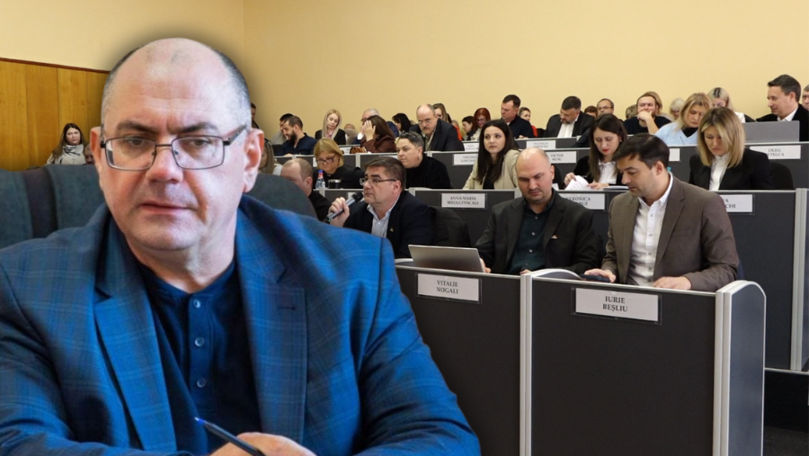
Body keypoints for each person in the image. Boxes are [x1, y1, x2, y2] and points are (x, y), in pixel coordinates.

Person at [0, 38, 477, 456]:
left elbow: (439, 436)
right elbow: (14, 441)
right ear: (100, 157)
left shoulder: (353, 274)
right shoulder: (26, 288)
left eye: (199, 141)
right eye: (134, 140)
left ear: (250, 159)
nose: (163, 170)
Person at [584, 134, 739, 291]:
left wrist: (687, 281)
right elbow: (613, 257)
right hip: (628, 298)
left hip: (677, 300)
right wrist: (608, 272)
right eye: (622, 172)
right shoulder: (619, 205)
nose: (624, 180)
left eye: (632, 172)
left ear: (658, 168)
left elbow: (726, 269)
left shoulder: (704, 204)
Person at [475, 148, 600, 275]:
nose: (532, 186)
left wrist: (545, 275)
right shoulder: (501, 213)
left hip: (550, 286)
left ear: (552, 172)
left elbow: (586, 265)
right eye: (524, 179)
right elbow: (481, 254)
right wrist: (480, 263)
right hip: (505, 283)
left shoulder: (578, 216)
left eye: (538, 177)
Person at [328, 157, 434, 258]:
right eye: (366, 179)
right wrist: (337, 228)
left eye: (375, 180)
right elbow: (342, 255)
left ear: (396, 187)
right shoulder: (356, 211)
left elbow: (407, 259)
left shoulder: (416, 212)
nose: (366, 185)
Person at [689, 107, 773, 190]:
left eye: (721, 137)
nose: (715, 144)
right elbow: (691, 196)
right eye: (709, 137)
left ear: (734, 136)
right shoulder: (696, 161)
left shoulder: (755, 161)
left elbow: (764, 198)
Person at [564, 114, 626, 189]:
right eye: (598, 140)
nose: (603, 145)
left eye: (608, 139)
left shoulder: (629, 163)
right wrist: (569, 182)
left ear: (620, 137)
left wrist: (608, 187)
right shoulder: (584, 163)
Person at [463, 119, 519, 189]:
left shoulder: (513, 157)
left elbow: (522, 190)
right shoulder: (480, 162)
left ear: (506, 138)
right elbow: (466, 190)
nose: (491, 141)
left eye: (497, 136)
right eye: (487, 137)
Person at [757, 74, 809, 141]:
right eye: (769, 99)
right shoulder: (762, 123)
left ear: (791, 96)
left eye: (774, 98)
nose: (769, 104)